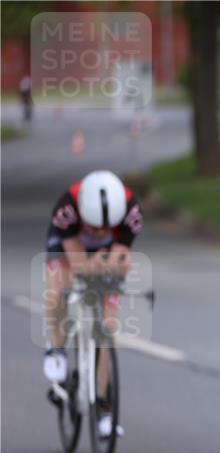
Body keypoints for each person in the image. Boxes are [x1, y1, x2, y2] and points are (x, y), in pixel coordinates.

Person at [43, 170, 143, 439]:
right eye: (95, 226)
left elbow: (122, 258)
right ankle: (57, 349)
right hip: (68, 245)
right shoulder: (66, 209)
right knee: (58, 290)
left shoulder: (132, 212)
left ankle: (104, 408)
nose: (99, 231)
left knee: (108, 329)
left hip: (107, 251)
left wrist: (111, 265)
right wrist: (92, 265)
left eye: (105, 227)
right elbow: (78, 264)